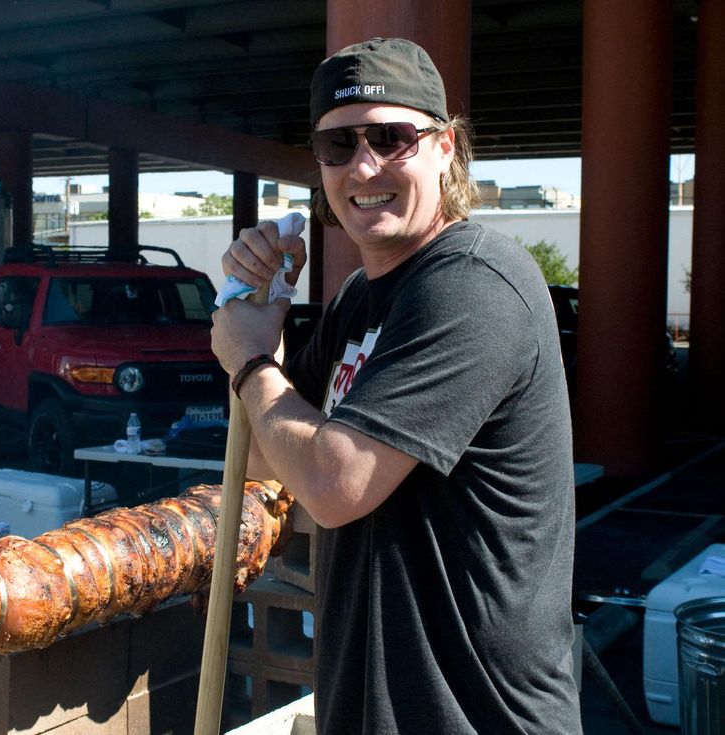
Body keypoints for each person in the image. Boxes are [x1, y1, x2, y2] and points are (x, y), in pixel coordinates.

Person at [211, 37, 582, 734]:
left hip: (474, 716)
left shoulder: (474, 284)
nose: (365, 165)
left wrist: (252, 363)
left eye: (391, 137)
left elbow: (332, 484)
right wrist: (263, 321)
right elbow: (268, 458)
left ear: (446, 147)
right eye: (338, 146)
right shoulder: (359, 297)